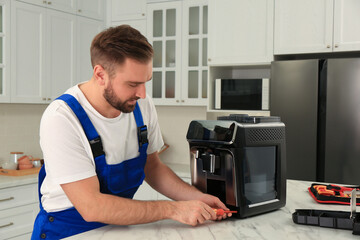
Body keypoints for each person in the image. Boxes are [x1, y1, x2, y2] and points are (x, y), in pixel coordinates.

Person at [31, 25, 231, 240]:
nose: (142, 94)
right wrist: (174, 209)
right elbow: (91, 207)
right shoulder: (62, 118)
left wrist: (199, 199)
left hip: (118, 228)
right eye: (133, 84)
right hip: (68, 232)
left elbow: (152, 167)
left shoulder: (139, 104)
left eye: (145, 82)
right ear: (100, 74)